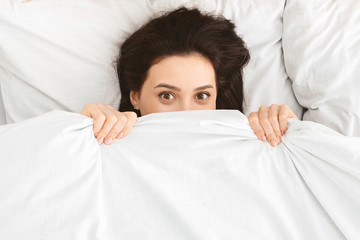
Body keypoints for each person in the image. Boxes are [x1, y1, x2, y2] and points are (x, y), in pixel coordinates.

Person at [80, 7, 298, 147]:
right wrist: (78, 134)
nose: (186, 113)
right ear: (135, 96)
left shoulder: (254, 146)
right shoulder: (100, 146)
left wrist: (293, 135)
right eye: (167, 95)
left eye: (201, 96)